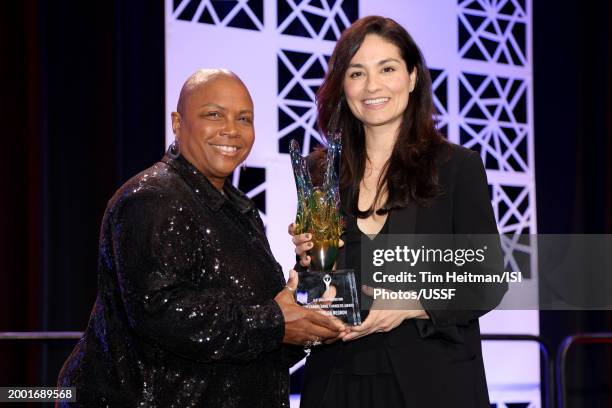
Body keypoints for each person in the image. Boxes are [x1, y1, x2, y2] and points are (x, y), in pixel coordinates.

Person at [57, 69, 345, 408]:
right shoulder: (152, 197)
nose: (232, 130)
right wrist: (276, 321)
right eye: (214, 114)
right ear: (177, 123)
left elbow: (253, 336)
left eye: (244, 118)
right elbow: (162, 312)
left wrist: (309, 306)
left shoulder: (237, 209)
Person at [289, 16, 507, 407]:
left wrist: (409, 304)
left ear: (411, 77)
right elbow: (317, 282)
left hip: (433, 381)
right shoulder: (319, 171)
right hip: (336, 379)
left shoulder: (456, 167)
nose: (372, 86)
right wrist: (306, 272)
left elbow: (488, 282)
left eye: (387, 69)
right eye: (357, 73)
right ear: (342, 86)